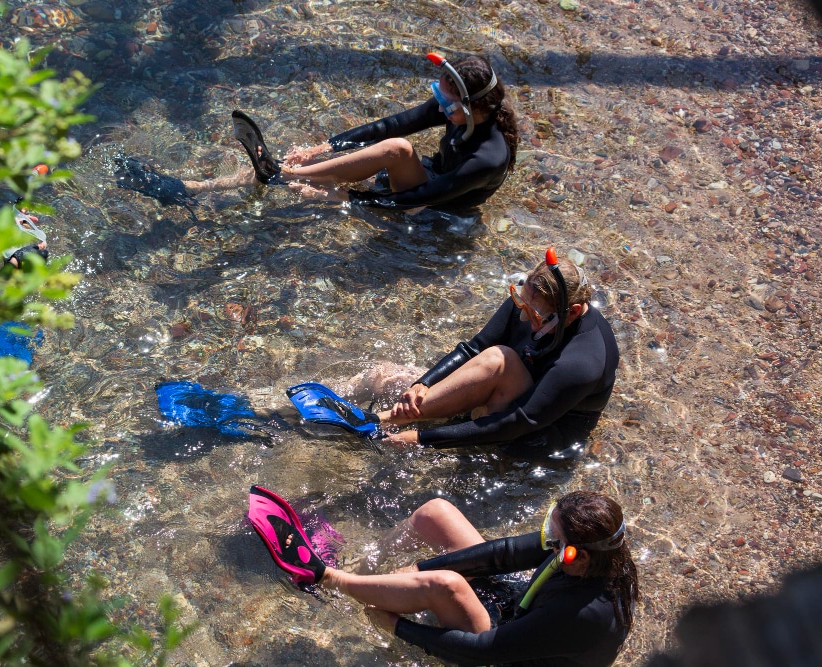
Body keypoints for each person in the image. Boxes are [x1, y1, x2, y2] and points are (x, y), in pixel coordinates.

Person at [249, 487, 639, 666]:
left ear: (579, 555)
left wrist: (398, 628)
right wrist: (419, 568)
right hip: (520, 611)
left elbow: (488, 651)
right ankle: (359, 576)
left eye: (554, 539)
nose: (546, 541)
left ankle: (324, 579)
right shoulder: (586, 552)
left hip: (505, 652)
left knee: (446, 586)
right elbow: (501, 554)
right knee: (436, 513)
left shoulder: (586, 613)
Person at [286, 248, 619, 451]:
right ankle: (291, 411)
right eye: (520, 301)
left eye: (532, 314)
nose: (521, 314)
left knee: (499, 359)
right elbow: (474, 347)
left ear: (571, 313)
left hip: (530, 431)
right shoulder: (535, 297)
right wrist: (424, 383)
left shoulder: (583, 362)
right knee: (384, 376)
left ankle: (377, 424)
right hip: (499, 388)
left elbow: (519, 422)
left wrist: (421, 438)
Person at [117, 52, 518, 218]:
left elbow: (420, 198)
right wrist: (324, 148)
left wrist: (348, 197)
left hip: (429, 212)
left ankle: (282, 176)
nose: (441, 108)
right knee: (303, 164)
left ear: (474, 107)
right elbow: (388, 125)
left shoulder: (490, 157)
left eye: (448, 105)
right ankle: (189, 187)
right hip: (415, 185)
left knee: (396, 151)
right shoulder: (457, 110)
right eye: (439, 97)